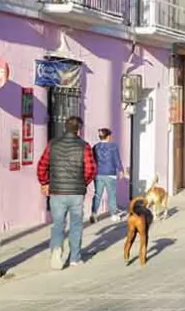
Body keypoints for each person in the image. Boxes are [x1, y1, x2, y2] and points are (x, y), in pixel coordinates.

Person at [37, 116, 96, 270]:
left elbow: (42, 165)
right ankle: (75, 258)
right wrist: (82, 183)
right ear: (79, 129)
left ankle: (56, 250)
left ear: (65, 127)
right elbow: (91, 169)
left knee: (58, 224)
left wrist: (45, 183)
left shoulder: (53, 144)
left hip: (56, 191)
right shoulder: (85, 146)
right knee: (76, 224)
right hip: (76, 193)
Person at [91, 127, 125, 223]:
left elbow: (93, 161)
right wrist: (121, 170)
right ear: (108, 136)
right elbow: (117, 159)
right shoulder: (113, 146)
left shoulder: (95, 147)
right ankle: (113, 215)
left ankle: (94, 214)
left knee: (97, 194)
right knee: (112, 194)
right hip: (110, 173)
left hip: (98, 174)